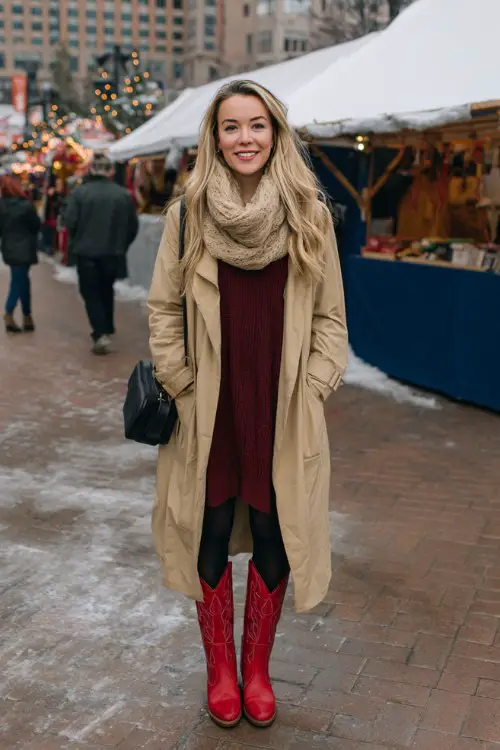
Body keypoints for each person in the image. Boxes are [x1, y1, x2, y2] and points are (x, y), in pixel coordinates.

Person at [148, 80, 348, 729]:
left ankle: (257, 669)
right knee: (207, 527)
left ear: (276, 133)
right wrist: (178, 380)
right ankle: (221, 672)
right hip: (208, 404)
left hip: (281, 405)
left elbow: (330, 318)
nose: (244, 139)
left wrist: (313, 386)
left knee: (274, 529)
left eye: (256, 125)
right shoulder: (187, 214)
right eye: (230, 127)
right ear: (214, 137)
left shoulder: (309, 213)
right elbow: (162, 309)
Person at [63, 153, 139, 355]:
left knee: (91, 292)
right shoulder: (123, 195)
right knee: (106, 288)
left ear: (91, 169)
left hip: (86, 252)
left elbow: (70, 222)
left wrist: (77, 240)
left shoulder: (79, 194)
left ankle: (100, 331)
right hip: (113, 252)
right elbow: (132, 226)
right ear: (110, 171)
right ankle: (106, 326)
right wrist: (121, 244)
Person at [1, 174, 41, 334]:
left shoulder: (1, 205)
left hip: (9, 248)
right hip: (24, 248)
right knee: (19, 281)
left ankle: (27, 316)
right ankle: (9, 312)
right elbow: (36, 225)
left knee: (23, 280)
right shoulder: (26, 205)